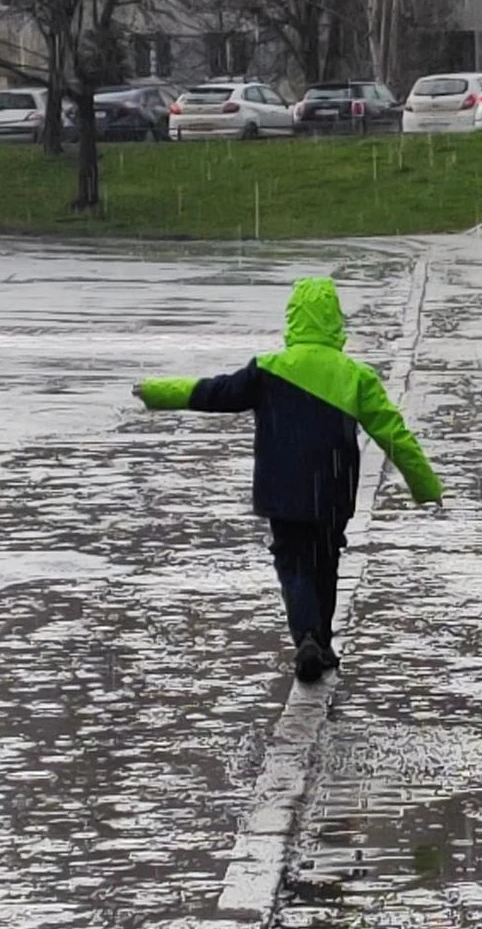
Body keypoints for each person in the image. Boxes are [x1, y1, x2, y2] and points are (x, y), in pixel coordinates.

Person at [133, 276, 442, 683]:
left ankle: (307, 637)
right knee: (325, 561)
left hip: (282, 491)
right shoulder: (355, 376)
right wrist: (425, 485)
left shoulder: (268, 370)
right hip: (332, 490)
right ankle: (323, 641)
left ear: (293, 319)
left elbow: (214, 393)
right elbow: (393, 434)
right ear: (335, 321)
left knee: (293, 563)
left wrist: (157, 391)